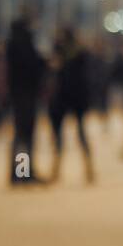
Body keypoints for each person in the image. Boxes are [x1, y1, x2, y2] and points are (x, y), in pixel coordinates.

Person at [47, 28, 95, 184]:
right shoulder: (79, 53)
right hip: (72, 98)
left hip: (67, 97)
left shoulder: (73, 54)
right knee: (78, 134)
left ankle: (62, 168)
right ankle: (86, 168)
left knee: (66, 135)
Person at [5, 19, 46, 186]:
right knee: (24, 136)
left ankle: (19, 173)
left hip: (18, 96)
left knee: (20, 136)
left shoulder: (12, 45)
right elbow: (34, 67)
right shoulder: (23, 45)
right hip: (26, 96)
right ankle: (23, 173)